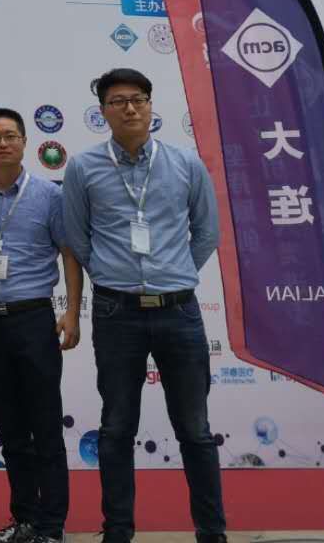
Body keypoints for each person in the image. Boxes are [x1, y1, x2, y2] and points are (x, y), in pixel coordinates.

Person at [62, 69, 224, 543]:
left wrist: (175, 272)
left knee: (195, 428)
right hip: (118, 313)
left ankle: (212, 532)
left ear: (151, 105)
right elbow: (77, 237)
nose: (129, 108)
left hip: (179, 310)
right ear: (103, 112)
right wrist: (111, 274)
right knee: (116, 427)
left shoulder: (186, 163)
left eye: (138, 99)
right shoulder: (83, 168)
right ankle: (117, 531)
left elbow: (207, 232)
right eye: (118, 101)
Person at [0, 108, 83, 543]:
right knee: (11, 430)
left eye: (10, 135)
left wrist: (72, 313)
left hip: (35, 321)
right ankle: (24, 520)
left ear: (23, 141)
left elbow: (70, 254)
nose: (2, 143)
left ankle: (52, 527)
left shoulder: (49, 195)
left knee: (45, 426)